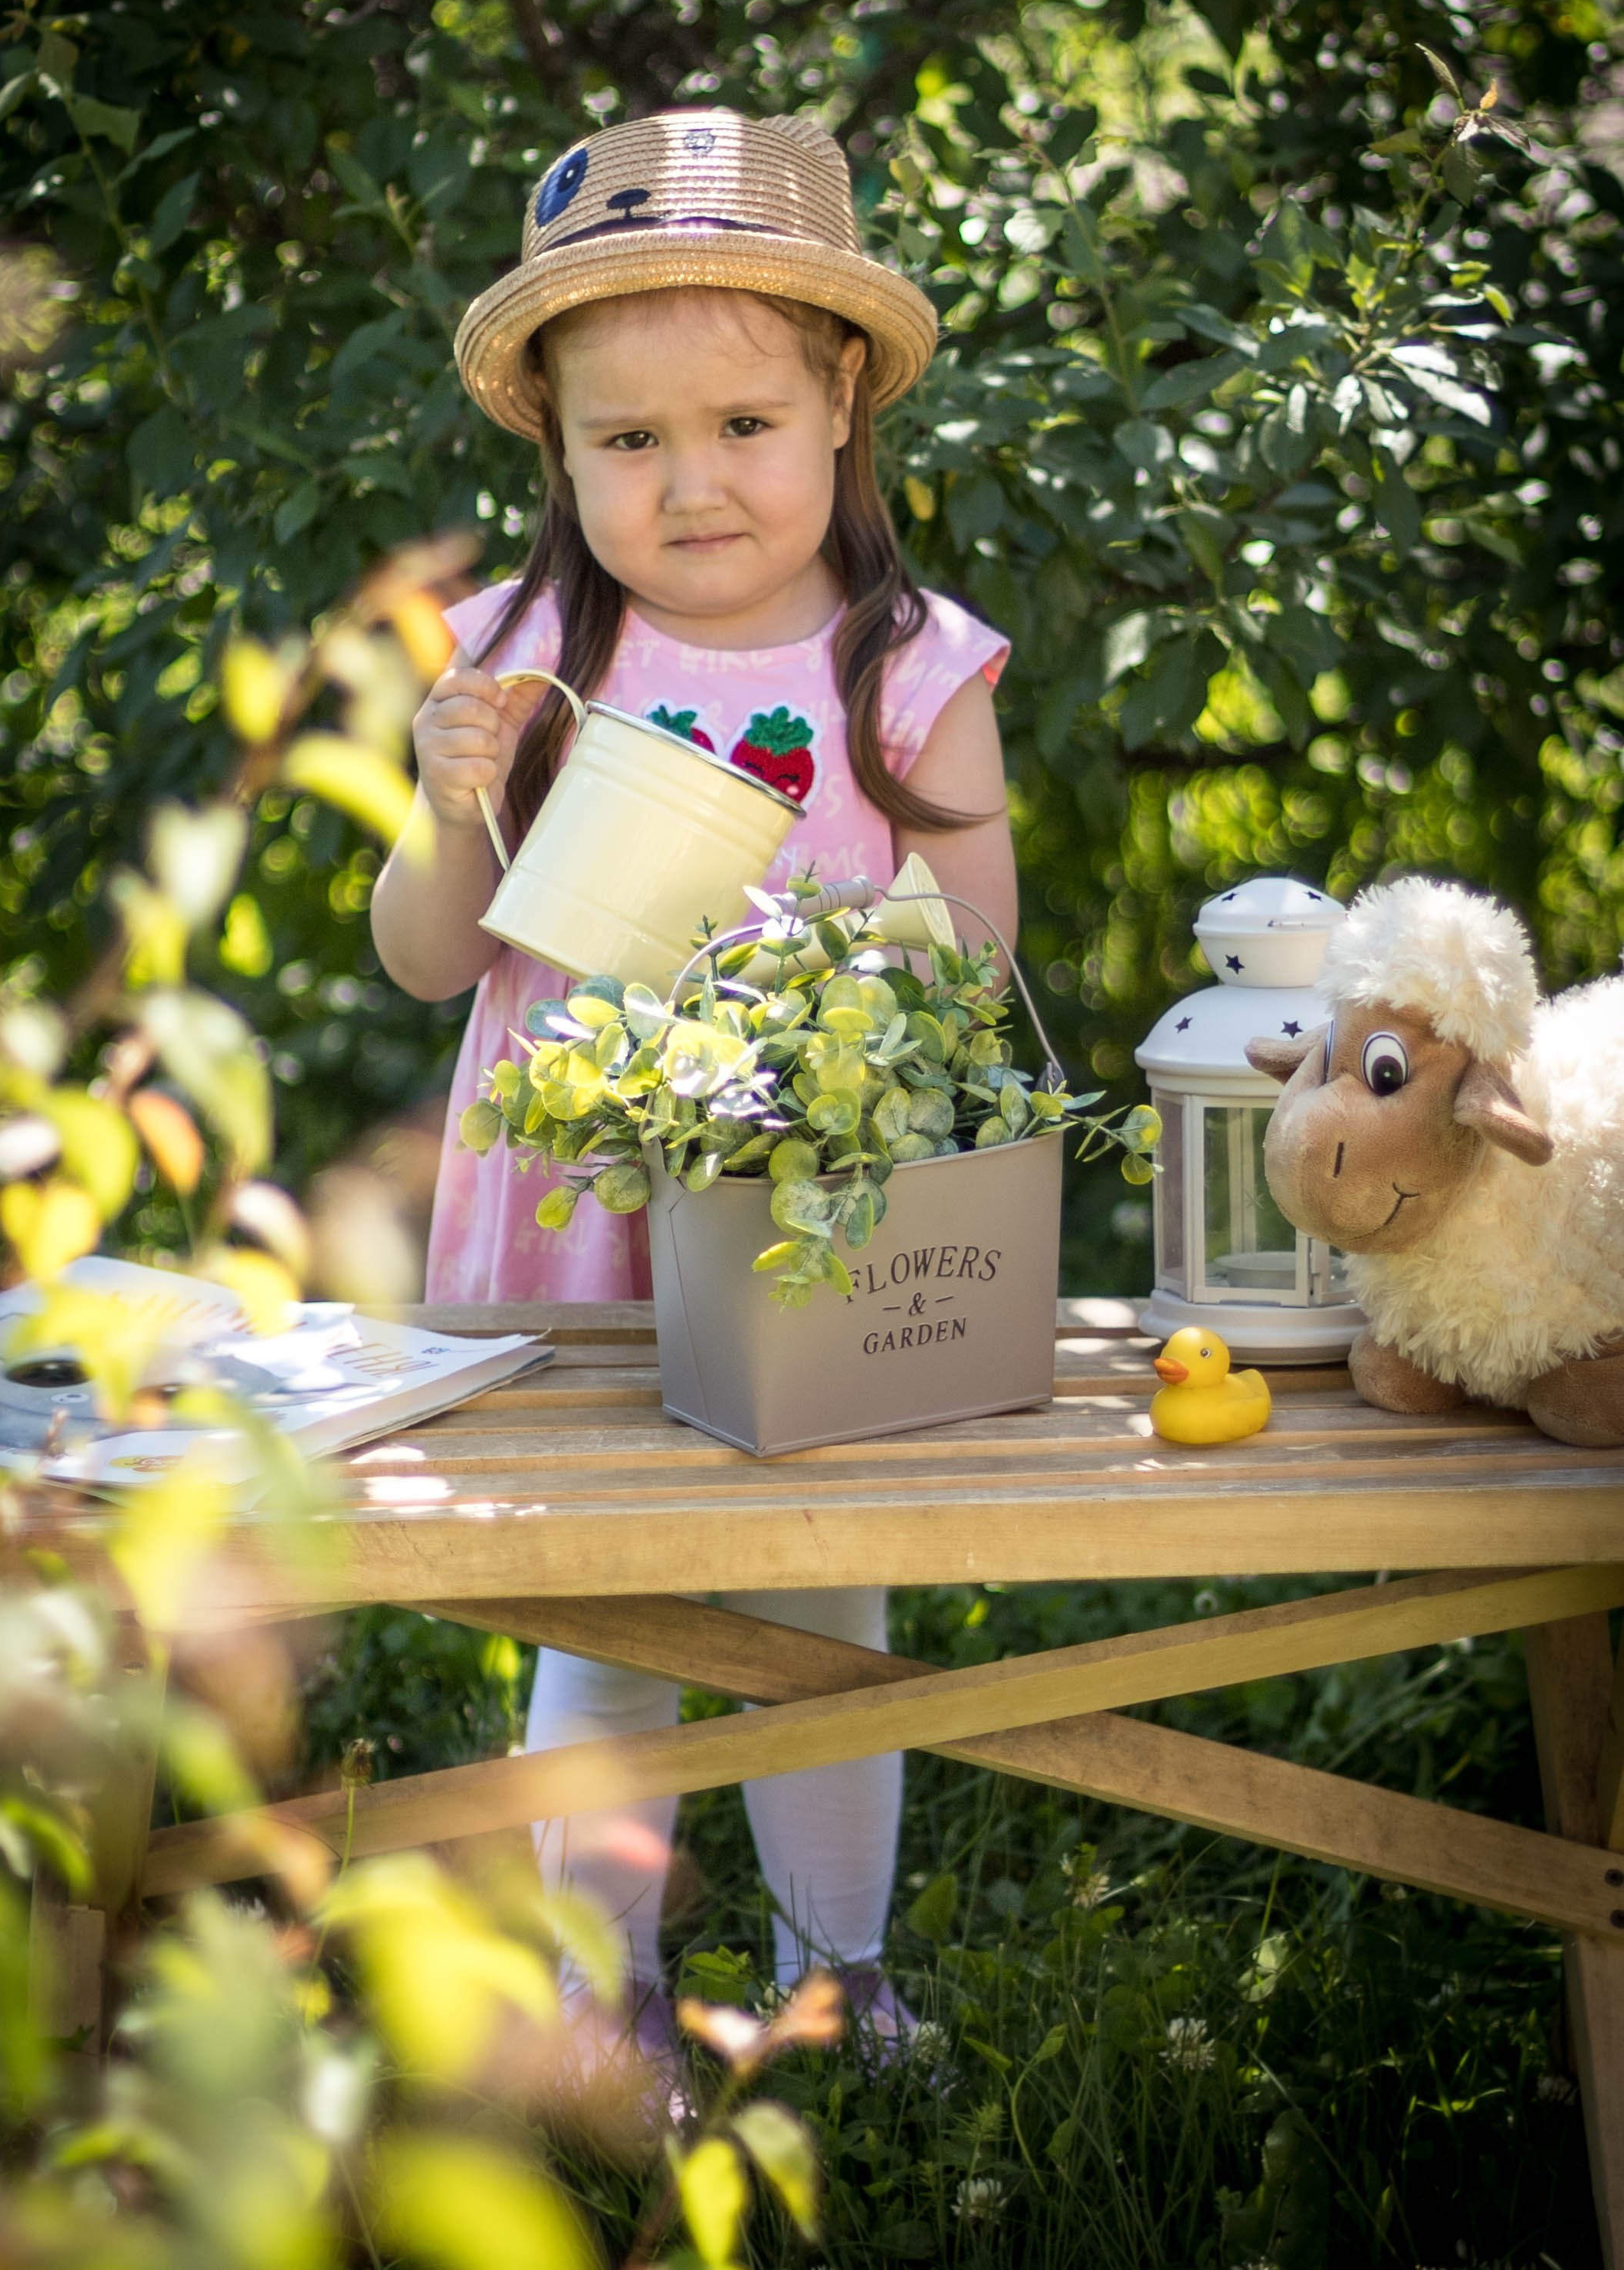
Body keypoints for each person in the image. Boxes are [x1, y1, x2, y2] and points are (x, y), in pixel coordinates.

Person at [371, 108, 1018, 2065]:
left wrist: (818, 991)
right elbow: (423, 954)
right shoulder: (522, 655)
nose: (692, 481)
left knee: (825, 1612)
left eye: (740, 423)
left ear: (840, 408)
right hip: (575, 1226)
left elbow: (975, 955)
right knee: (612, 1616)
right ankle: (606, 1991)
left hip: (815, 1216)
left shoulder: (904, 665)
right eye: (627, 440)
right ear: (556, 455)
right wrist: (445, 801)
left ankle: (842, 1969)